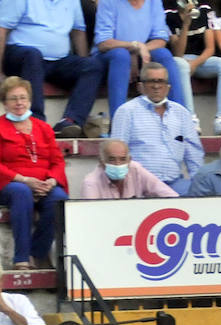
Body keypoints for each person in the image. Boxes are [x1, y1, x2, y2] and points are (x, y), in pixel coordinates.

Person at [0, 0, 104, 137]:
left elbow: (78, 31)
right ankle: (36, 121)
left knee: (92, 65)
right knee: (33, 55)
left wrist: (82, 62)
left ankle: (70, 122)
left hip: (58, 60)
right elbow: (2, 30)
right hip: (20, 56)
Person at [110, 62, 204, 195]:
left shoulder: (181, 112)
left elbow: (194, 154)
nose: (156, 86)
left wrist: (198, 184)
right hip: (140, 187)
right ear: (140, 86)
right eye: (151, 81)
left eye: (161, 81)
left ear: (168, 87)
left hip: (175, 184)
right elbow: (116, 152)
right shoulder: (126, 111)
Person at [0, 77, 64, 271]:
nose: (19, 103)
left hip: (43, 183)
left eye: (23, 98)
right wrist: (24, 180)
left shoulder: (43, 127)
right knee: (22, 192)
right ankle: (21, 257)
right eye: (13, 99)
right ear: (4, 103)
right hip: (10, 183)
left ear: (29, 101)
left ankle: (38, 253)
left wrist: (51, 182)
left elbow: (58, 160)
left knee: (59, 198)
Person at [96, 0, 188, 120]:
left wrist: (139, 49)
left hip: (141, 55)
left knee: (164, 54)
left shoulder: (154, 2)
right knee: (121, 56)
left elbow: (160, 39)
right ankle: (118, 122)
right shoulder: (108, 2)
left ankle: (181, 119)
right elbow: (104, 42)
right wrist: (134, 46)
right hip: (110, 55)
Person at [167, 0, 221, 134]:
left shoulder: (204, 11)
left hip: (200, 60)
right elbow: (178, 52)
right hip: (180, 60)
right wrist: (186, 24)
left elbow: (210, 48)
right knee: (182, 64)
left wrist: (195, 64)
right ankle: (191, 118)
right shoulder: (169, 15)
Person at [82, 138, 179, 198]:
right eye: (112, 159)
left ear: (129, 160)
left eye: (122, 159)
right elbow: (92, 216)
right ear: (101, 162)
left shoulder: (136, 169)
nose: (118, 164)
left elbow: (168, 194)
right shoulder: (91, 182)